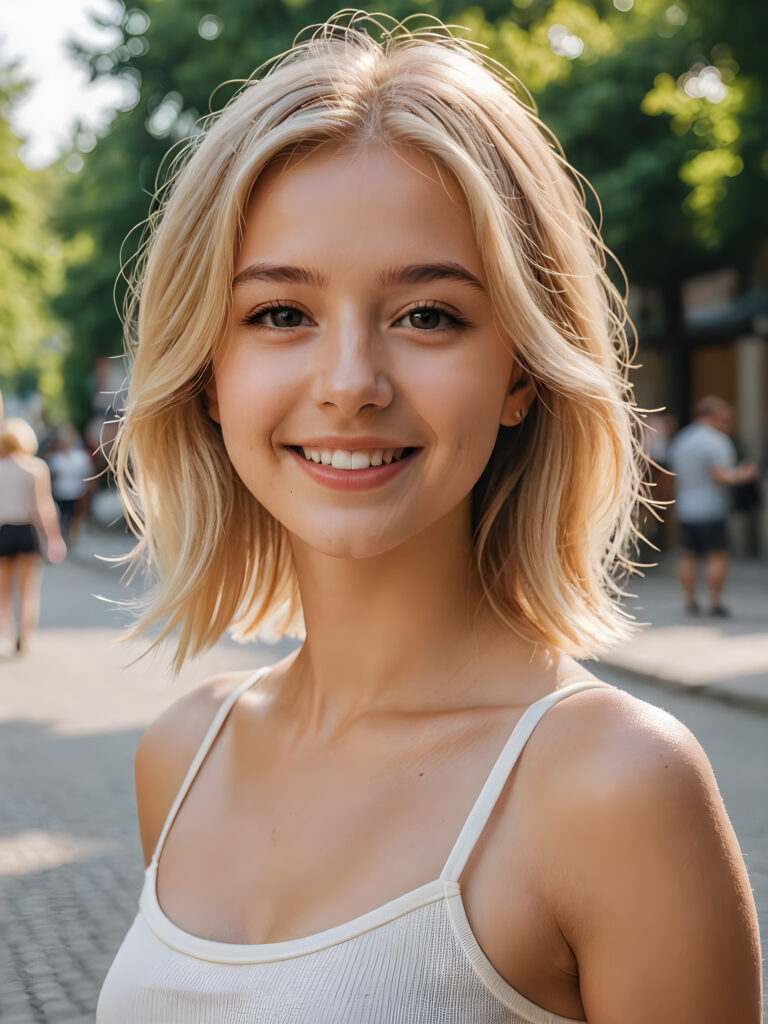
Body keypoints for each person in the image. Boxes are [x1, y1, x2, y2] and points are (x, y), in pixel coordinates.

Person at [97, 15, 762, 1023]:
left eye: (429, 315)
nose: (351, 383)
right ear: (208, 374)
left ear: (522, 374)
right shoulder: (182, 753)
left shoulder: (617, 786)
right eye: (281, 312)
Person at [667, 395, 760, 616]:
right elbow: (720, 475)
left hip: (685, 506)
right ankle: (714, 602)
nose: (727, 426)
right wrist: (744, 474)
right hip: (711, 507)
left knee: (688, 555)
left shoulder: (682, 439)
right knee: (716, 555)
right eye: (725, 420)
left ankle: (690, 601)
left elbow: (672, 475)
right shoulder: (716, 442)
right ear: (716, 417)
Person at [0, 418, 66, 654]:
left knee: (3, 587)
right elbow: (44, 507)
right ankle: (23, 630)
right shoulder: (36, 467)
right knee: (28, 588)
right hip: (27, 531)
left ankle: (5, 623)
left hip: (3, 532)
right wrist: (54, 537)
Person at [47, 425, 93, 547]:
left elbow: (87, 475)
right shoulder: (55, 457)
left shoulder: (81, 457)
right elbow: (52, 476)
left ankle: (71, 539)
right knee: (61, 517)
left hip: (76, 492)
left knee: (74, 517)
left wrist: (87, 491)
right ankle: (62, 538)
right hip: (60, 492)